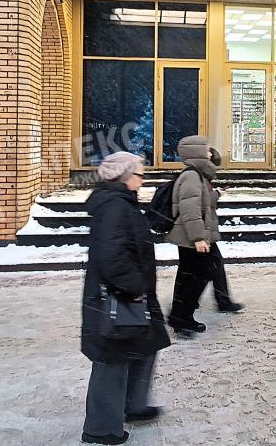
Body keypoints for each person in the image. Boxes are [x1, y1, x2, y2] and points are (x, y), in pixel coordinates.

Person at [81, 152, 170, 445]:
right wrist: (135, 287)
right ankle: (101, 428)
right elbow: (112, 255)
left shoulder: (121, 203)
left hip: (127, 295)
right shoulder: (115, 207)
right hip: (118, 297)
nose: (142, 181)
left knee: (143, 347)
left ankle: (134, 405)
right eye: (140, 175)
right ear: (125, 177)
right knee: (113, 358)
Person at [167, 135, 243, 338]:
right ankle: (181, 316)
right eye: (206, 149)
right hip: (193, 238)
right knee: (196, 276)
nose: (210, 153)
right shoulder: (192, 176)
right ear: (197, 152)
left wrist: (216, 194)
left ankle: (180, 316)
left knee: (192, 275)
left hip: (195, 236)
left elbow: (201, 200)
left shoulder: (196, 175)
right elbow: (190, 210)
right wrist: (198, 238)